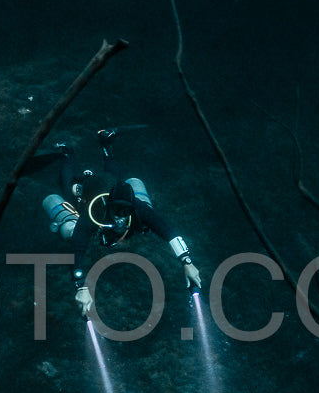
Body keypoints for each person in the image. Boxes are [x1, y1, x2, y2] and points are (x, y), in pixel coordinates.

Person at [41, 128, 202, 318]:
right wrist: (81, 286)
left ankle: (105, 145)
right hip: (89, 190)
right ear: (110, 206)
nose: (121, 217)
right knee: (70, 191)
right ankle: (68, 155)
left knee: (116, 176)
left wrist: (186, 261)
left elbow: (166, 229)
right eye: (118, 211)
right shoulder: (94, 212)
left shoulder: (136, 207)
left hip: (110, 183)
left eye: (125, 212)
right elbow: (78, 247)